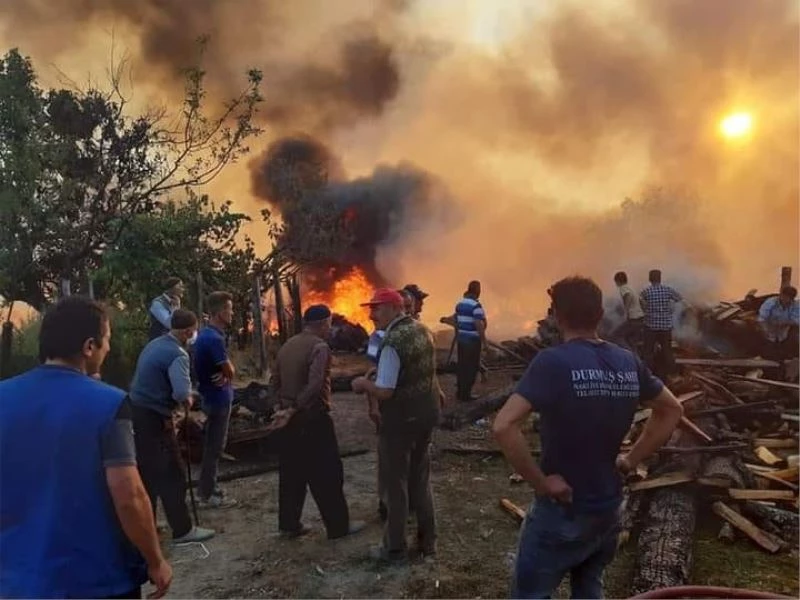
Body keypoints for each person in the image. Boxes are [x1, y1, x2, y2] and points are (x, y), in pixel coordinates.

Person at [492, 276, 683, 599]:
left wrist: (540, 483)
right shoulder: (627, 361)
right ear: (599, 314)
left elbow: (503, 425)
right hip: (609, 509)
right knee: (590, 586)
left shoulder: (552, 362)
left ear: (557, 316)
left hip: (563, 510)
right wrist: (631, 460)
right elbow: (672, 409)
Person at [0, 296, 173, 599]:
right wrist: (155, 560)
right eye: (107, 340)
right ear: (89, 346)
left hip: (18, 581)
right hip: (96, 578)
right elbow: (129, 495)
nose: (108, 349)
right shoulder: (109, 403)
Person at [352, 289, 444, 563]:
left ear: (394, 308)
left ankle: (394, 548)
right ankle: (429, 543)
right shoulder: (423, 330)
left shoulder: (391, 342)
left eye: (377, 308)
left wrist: (362, 384)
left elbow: (385, 391)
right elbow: (427, 372)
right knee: (421, 480)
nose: (371, 314)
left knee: (396, 485)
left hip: (400, 422)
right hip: (426, 416)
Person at [268, 304, 366, 540]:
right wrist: (293, 409)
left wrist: (279, 409)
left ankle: (289, 524)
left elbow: (274, 381)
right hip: (312, 419)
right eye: (329, 324)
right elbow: (314, 385)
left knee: (291, 473)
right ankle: (338, 527)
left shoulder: (288, 345)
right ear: (323, 323)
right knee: (328, 473)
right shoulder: (320, 347)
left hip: (287, 420)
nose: (330, 328)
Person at [129, 309, 215, 544]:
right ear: (188, 331)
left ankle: (148, 524)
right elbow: (180, 393)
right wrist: (190, 398)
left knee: (147, 472)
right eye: (194, 330)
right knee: (173, 474)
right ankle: (183, 530)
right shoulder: (178, 354)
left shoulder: (155, 344)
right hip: (155, 418)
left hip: (137, 412)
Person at [193, 291, 238, 508]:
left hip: (213, 396)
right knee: (215, 447)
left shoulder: (206, 335)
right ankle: (206, 494)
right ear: (220, 312)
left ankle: (210, 489)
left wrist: (226, 372)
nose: (232, 312)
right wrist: (228, 372)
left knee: (213, 447)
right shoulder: (214, 339)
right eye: (229, 309)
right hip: (217, 399)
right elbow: (230, 370)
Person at [442, 280, 487, 402]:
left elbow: (456, 317)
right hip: (472, 342)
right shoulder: (476, 306)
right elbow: (479, 324)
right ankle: (466, 395)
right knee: (471, 368)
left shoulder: (460, 304)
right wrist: (484, 342)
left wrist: (446, 319)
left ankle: (460, 393)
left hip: (461, 340)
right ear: (477, 291)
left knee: (462, 367)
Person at [639, 269, 683, 381]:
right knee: (667, 350)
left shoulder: (646, 291)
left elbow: (641, 302)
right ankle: (673, 374)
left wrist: (647, 310)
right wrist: (670, 308)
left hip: (651, 326)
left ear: (650, 279)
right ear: (660, 278)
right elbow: (679, 298)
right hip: (666, 327)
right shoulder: (667, 290)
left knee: (648, 351)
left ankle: (647, 375)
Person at [758, 285, 799, 363]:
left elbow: (797, 320)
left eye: (789, 298)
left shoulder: (795, 305)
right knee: (768, 356)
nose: (786, 300)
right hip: (768, 333)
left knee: (783, 355)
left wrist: (783, 323)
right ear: (781, 295)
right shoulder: (770, 302)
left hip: (784, 334)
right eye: (784, 297)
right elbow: (761, 319)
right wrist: (765, 331)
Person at [613, 271, 644, 352]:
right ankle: (636, 360)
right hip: (640, 318)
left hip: (633, 319)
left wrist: (626, 311)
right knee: (631, 341)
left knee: (616, 335)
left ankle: (629, 354)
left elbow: (627, 295)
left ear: (618, 281)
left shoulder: (623, 288)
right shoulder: (631, 287)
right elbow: (642, 301)